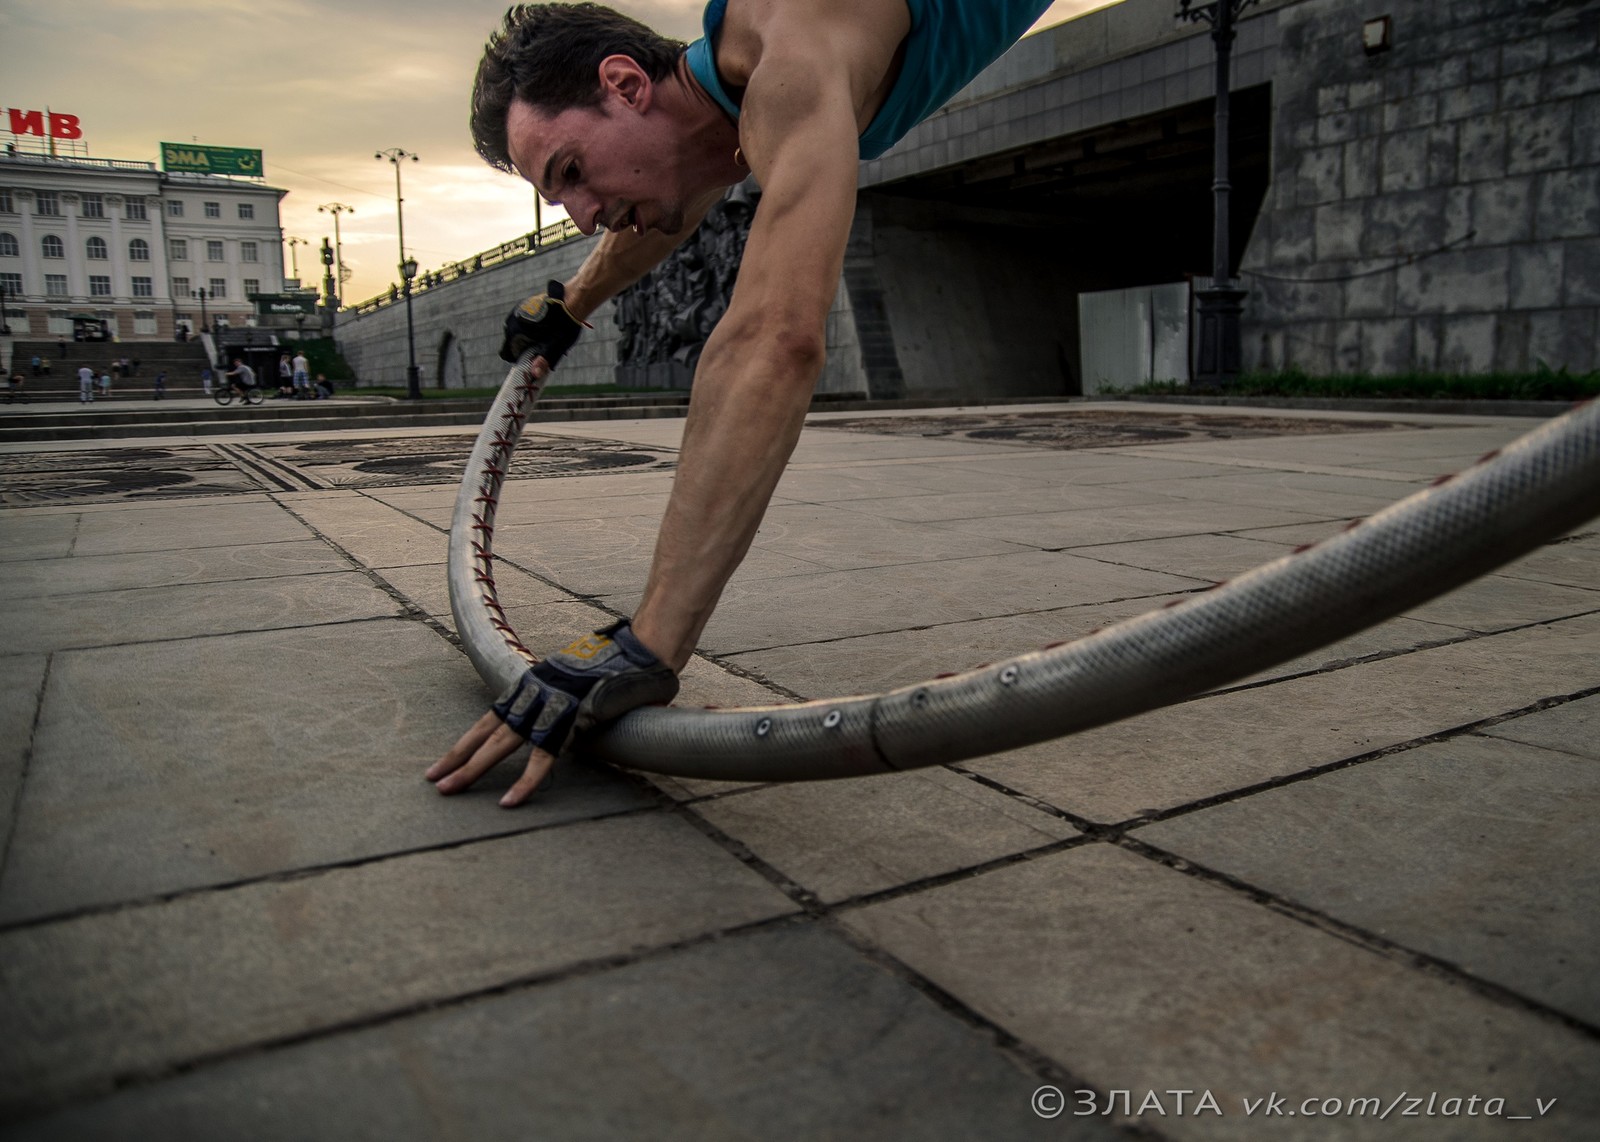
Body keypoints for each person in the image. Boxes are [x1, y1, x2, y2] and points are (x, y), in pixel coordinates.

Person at [431, 0, 1054, 806]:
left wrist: (646, 647)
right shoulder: (731, 93)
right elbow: (670, 207)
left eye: (572, 172)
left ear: (624, 85)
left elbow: (773, 337)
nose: (582, 215)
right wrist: (572, 306)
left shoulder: (791, 57)